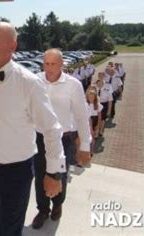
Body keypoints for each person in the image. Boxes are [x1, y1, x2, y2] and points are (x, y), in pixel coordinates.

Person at [0, 22, 66, 236]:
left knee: (10, 226)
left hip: (17, 170)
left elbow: (51, 129)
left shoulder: (30, 83)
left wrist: (54, 173)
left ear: (12, 46)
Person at [31, 48, 91, 230]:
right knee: (40, 174)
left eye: (53, 64)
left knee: (59, 175)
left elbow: (81, 116)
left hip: (63, 138)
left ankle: (58, 204)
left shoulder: (73, 85)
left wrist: (85, 145)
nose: (49, 68)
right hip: (39, 137)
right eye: (46, 63)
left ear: (61, 64)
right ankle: (42, 209)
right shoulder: (35, 80)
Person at [86, 86, 102, 154]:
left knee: (93, 136)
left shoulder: (97, 105)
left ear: (95, 98)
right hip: (87, 120)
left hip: (94, 120)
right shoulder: (86, 104)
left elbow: (99, 116)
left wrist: (98, 125)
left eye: (92, 97)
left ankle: (91, 149)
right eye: (89, 97)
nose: (91, 98)